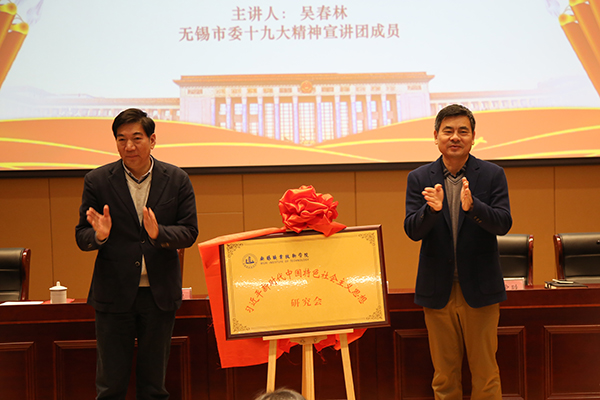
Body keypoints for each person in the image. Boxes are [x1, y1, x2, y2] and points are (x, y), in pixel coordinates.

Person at [75, 108, 198, 399]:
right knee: (110, 385)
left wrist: (159, 234)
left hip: (159, 294)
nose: (129, 146)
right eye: (121, 139)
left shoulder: (177, 179)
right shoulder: (98, 180)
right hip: (114, 292)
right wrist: (100, 235)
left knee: (153, 385)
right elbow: (82, 236)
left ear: (152, 140)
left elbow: (189, 232)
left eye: (137, 138)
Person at [403, 104, 512, 400]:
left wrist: (474, 207)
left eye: (463, 131)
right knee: (444, 376)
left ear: (473, 137)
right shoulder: (419, 178)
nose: (455, 137)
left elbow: (503, 223)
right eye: (448, 131)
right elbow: (412, 230)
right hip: (438, 289)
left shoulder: (491, 174)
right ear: (436, 136)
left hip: (480, 288)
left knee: (486, 374)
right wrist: (431, 211)